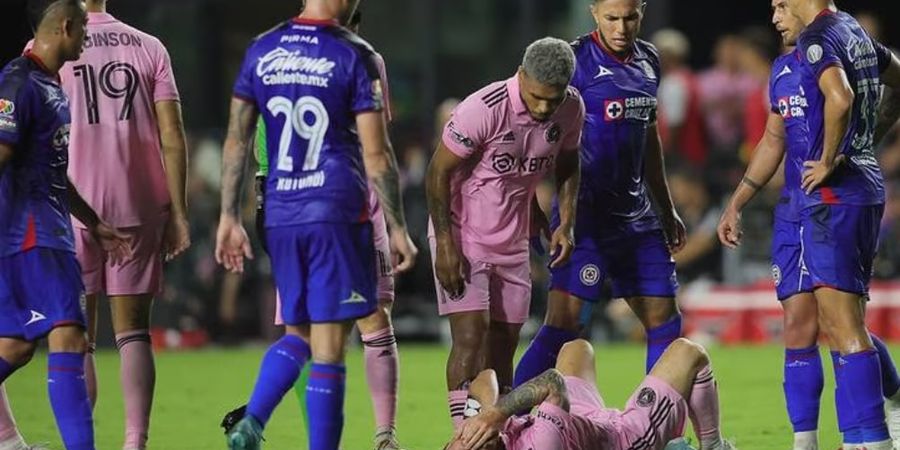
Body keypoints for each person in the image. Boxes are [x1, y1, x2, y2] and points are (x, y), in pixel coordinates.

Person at [215, 0, 417, 448]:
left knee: (297, 334)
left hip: (280, 211)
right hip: (337, 209)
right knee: (328, 348)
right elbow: (377, 152)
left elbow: (236, 139)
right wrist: (399, 226)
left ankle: (254, 418)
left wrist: (229, 215)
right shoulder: (354, 54)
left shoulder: (261, 49)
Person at [39, 0, 190, 448]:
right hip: (137, 203)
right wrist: (178, 212)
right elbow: (173, 134)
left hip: (70, 204)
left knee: (75, 335)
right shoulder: (149, 46)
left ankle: (80, 442)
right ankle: (134, 442)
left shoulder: (49, 42)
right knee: (134, 332)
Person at [515, 0, 686, 388]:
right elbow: (535, 132)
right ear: (594, 12)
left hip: (637, 216)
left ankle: (660, 432)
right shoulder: (575, 62)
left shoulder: (650, 60)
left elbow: (649, 138)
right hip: (584, 215)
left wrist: (666, 206)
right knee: (564, 325)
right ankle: (501, 421)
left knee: (665, 321)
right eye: (612, 18)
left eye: (630, 18)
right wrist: (534, 204)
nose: (622, 27)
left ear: (641, 12)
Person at [425, 37, 583, 428]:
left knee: (503, 347)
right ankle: (463, 435)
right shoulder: (483, 108)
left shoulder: (571, 107)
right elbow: (437, 173)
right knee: (469, 339)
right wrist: (445, 243)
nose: (545, 108)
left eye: (553, 99)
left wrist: (566, 221)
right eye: (536, 97)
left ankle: (500, 433)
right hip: (465, 235)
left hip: (514, 243)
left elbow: (568, 162)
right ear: (521, 75)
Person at [0, 1, 131, 449]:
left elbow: (53, 170)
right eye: (84, 34)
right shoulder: (18, 82)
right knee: (70, 338)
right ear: (67, 27)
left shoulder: (48, 83)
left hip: (44, 227)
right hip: (33, 234)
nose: (87, 41)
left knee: (15, 347)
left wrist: (93, 222)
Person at [777, 0, 900, 448]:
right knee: (845, 320)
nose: (775, 10)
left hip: (835, 196)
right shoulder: (853, 31)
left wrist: (828, 159)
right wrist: (870, 137)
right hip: (864, 188)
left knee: (842, 325)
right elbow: (897, 78)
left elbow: (841, 97)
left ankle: (873, 440)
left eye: (780, 2)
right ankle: (875, 423)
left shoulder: (817, 38)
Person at [446, 339, 734, 450]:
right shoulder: (541, 445)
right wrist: (496, 413)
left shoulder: (476, 434)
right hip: (621, 439)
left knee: (576, 348)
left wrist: (482, 415)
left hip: (576, 422)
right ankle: (713, 446)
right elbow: (552, 383)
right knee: (689, 352)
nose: (464, 438)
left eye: (458, 439)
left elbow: (485, 378)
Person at [652, 28, 708, 168]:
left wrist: (665, 157)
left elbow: (674, 125)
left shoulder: (673, 83)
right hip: (693, 154)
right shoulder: (689, 78)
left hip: (681, 158)